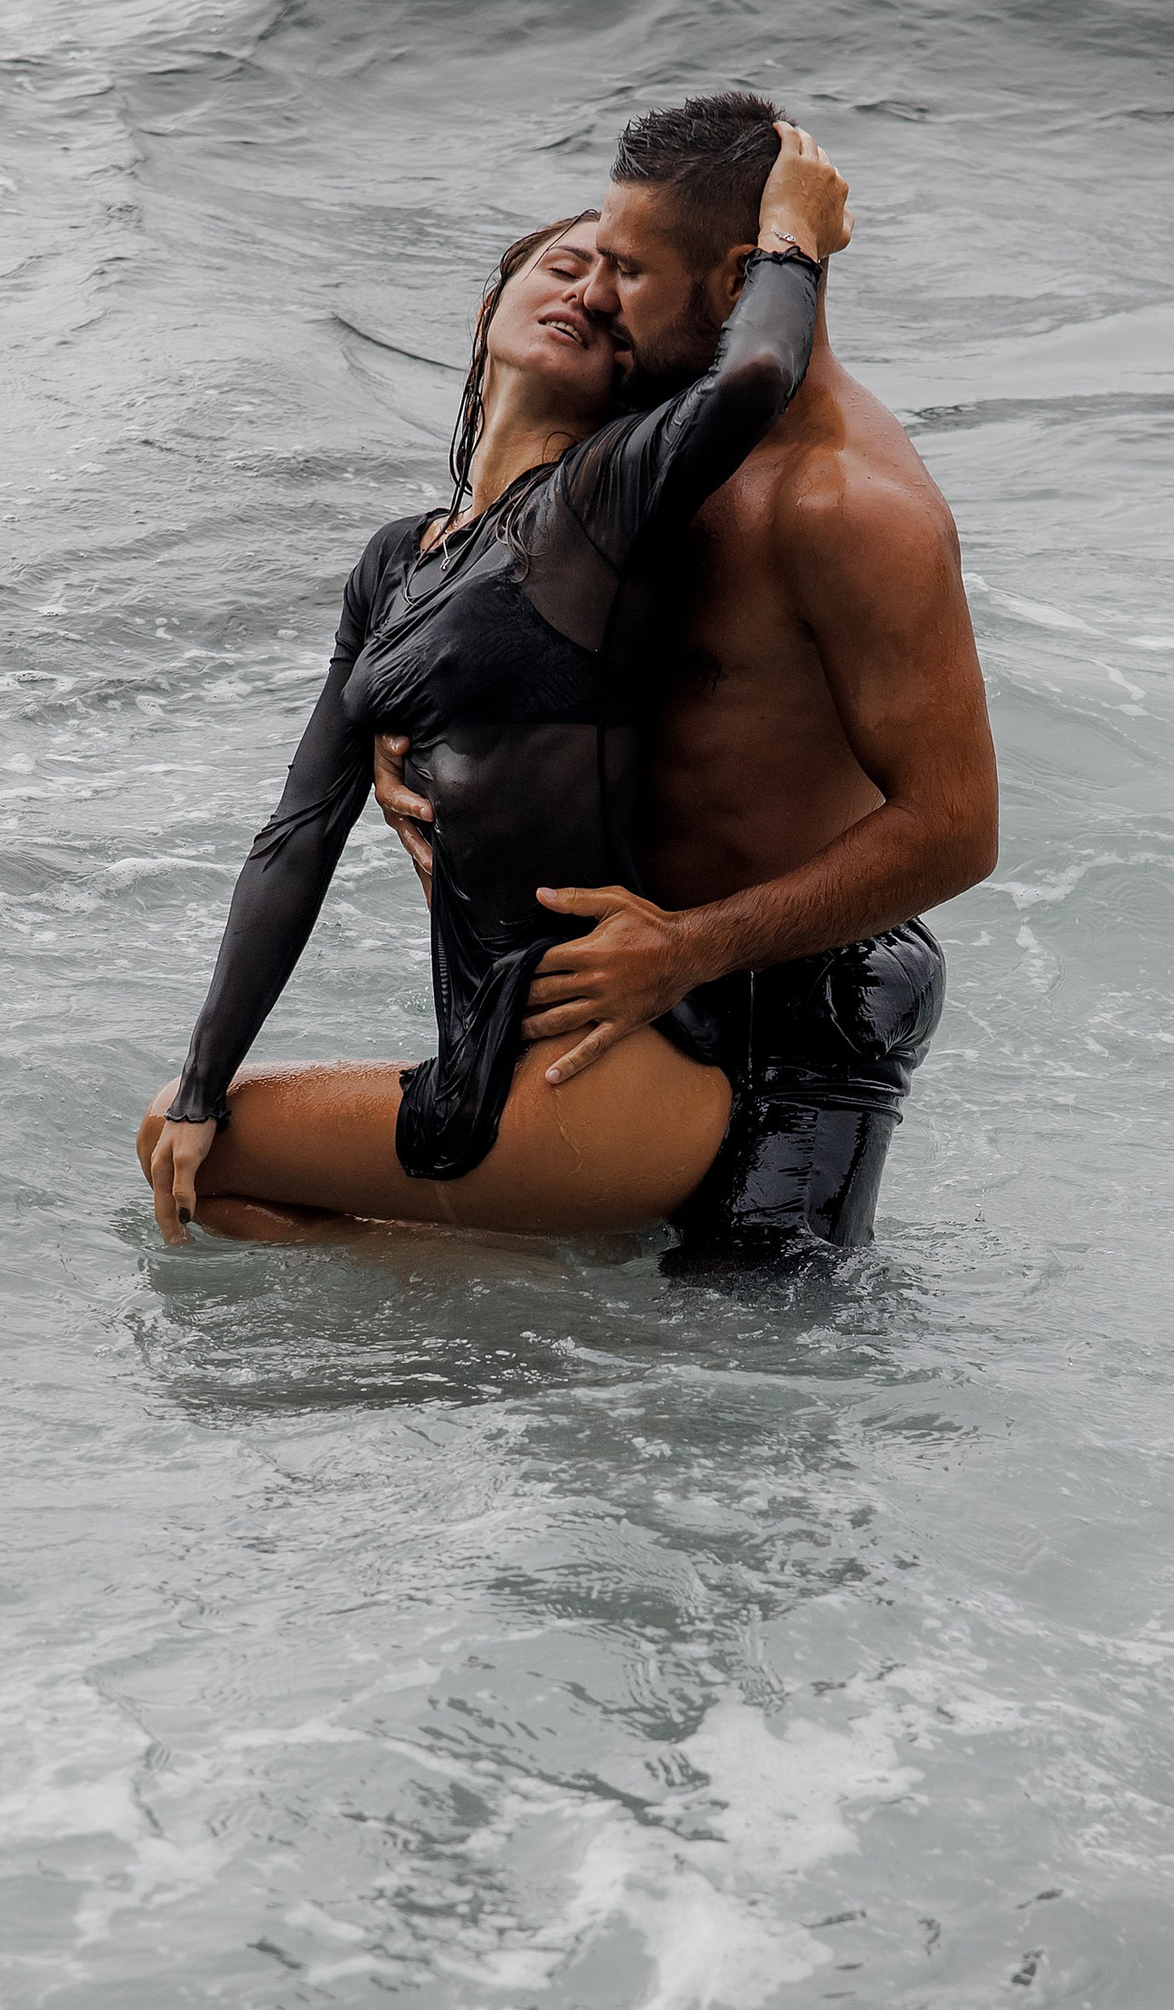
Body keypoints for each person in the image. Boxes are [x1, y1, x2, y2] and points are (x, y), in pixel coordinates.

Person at [134, 127, 851, 1244]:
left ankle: (509, 1328)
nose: (591, 296)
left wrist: (790, 240)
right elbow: (295, 834)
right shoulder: (396, 560)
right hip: (498, 1053)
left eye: (619, 299)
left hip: (611, 1069)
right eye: (565, 267)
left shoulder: (599, 503)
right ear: (491, 304)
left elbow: (755, 373)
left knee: (199, 1166)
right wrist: (200, 1074)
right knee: (193, 1142)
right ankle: (519, 1330)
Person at [374, 91, 997, 1270]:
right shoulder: (659, 427)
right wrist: (394, 719)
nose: (596, 296)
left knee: (742, 1381)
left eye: (629, 271)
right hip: (624, 977)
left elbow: (956, 830)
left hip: (790, 999)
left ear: (732, 283)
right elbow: (487, 573)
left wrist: (689, 947)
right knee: (565, 1346)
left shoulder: (849, 507)